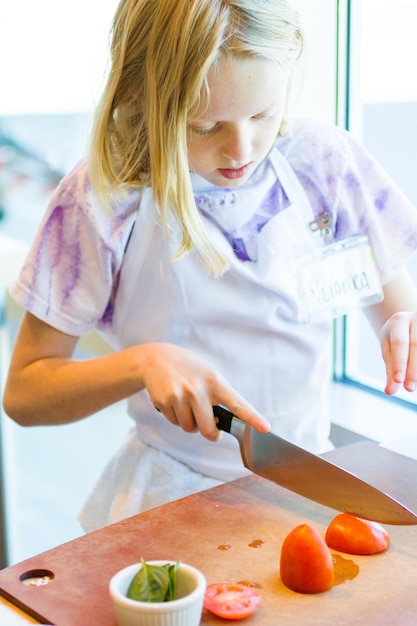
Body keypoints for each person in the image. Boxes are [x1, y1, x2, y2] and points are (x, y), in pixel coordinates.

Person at [3, 0, 417, 532]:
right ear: (142, 98)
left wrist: (404, 326)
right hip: (168, 491)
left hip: (308, 484)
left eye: (263, 114)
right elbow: (26, 394)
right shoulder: (105, 199)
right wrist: (141, 363)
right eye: (203, 126)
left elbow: (399, 310)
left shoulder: (324, 164)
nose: (241, 149)